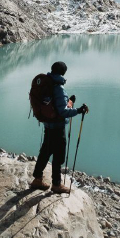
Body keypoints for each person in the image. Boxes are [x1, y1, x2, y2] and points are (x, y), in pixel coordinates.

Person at [31, 61, 89, 194]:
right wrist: (78, 110)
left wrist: (70, 101)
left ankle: (37, 178)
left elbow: (56, 106)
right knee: (58, 155)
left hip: (48, 126)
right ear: (63, 73)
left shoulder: (47, 83)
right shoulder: (58, 88)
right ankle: (56, 184)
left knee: (45, 152)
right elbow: (62, 112)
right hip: (58, 128)